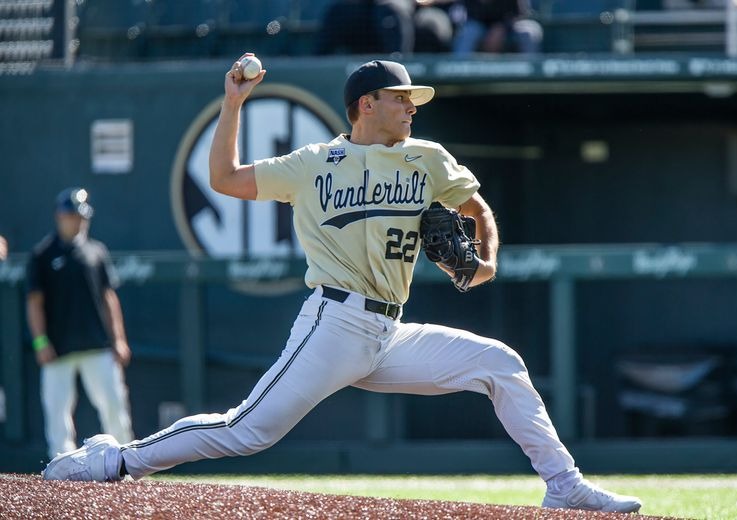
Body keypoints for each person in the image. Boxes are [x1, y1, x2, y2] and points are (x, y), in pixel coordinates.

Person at [42, 57, 642, 513]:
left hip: (389, 331)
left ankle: (563, 485)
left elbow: (477, 209)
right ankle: (115, 459)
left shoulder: (426, 158)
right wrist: (233, 104)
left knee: (500, 364)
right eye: (400, 98)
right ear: (365, 104)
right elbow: (223, 177)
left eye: (413, 99)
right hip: (334, 322)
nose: (411, 107)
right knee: (246, 431)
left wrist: (485, 259)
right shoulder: (313, 164)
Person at [27, 187, 134, 460]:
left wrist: (119, 339)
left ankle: (126, 463)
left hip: (97, 347)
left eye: (81, 216)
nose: (77, 221)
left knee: (113, 407)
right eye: (71, 215)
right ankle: (61, 471)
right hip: (58, 349)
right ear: (59, 216)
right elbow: (34, 303)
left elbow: (109, 298)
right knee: (57, 415)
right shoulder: (42, 255)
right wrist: (40, 342)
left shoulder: (97, 252)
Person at [452, 0, 543, 56]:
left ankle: (529, 78)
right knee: (469, 31)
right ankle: (457, 74)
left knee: (529, 32)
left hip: (508, 28)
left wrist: (502, 27)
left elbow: (520, 14)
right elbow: (470, 16)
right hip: (480, 28)